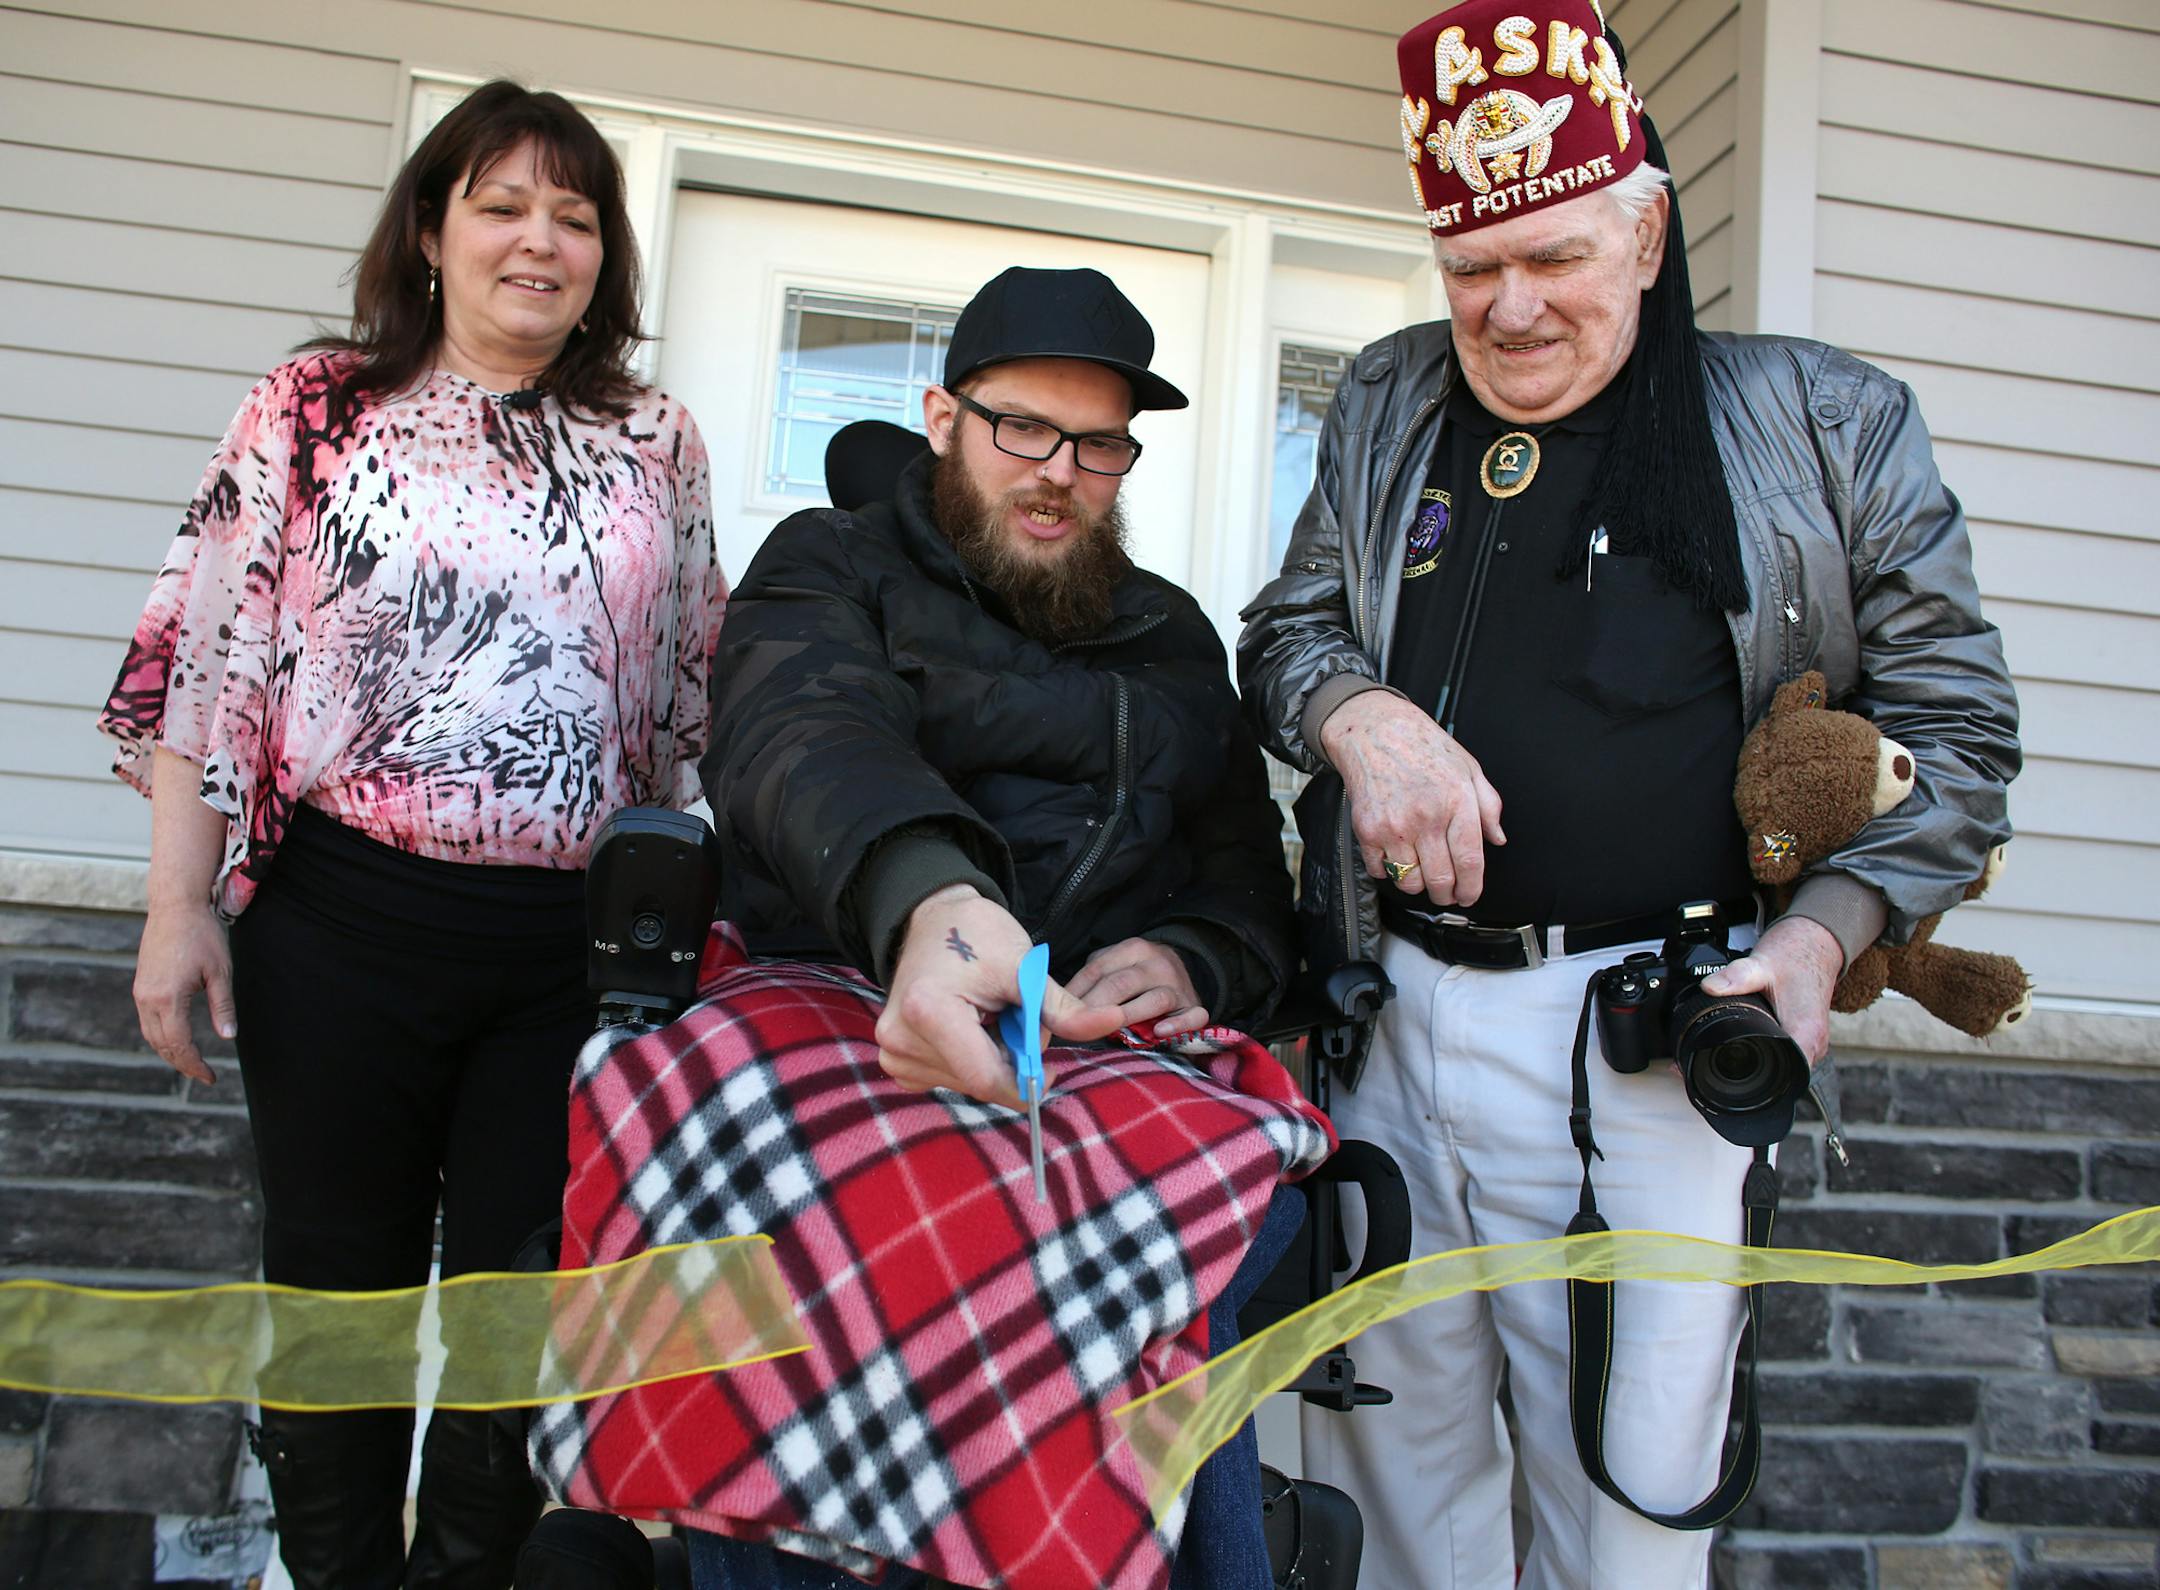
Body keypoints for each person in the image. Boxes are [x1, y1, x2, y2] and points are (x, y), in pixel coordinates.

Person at [1237, 4, 2019, 1586]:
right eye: (1470, 267)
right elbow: (1288, 628)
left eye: (1554, 258)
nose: (1509, 307)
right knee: (1392, 1493)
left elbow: (1960, 725)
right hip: (1389, 1022)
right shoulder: (1390, 401)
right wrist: (1361, 715)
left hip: (1651, 1043)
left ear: (1648, 230)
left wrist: (1820, 942)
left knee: (1633, 1515)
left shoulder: (1824, 418)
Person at [533, 267, 1326, 1590]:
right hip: (838, 985)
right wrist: (931, 901)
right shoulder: (829, 564)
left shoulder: (1177, 640)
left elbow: (1249, 879)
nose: (1059, 471)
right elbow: (799, 737)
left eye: (1098, 443)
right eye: (1024, 426)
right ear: (943, 414)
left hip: (1103, 1056)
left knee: (1172, 1229)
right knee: (793, 1212)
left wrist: (1195, 954)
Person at [96, 80, 723, 1589]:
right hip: (338, 928)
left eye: (574, 218)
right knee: (334, 1303)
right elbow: (204, 660)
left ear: (604, 258)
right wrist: (177, 909)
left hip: (563, 959)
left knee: (518, 1325)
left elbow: (697, 698)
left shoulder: (657, 439)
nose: (539, 242)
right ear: (431, 232)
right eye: (502, 206)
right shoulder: (312, 404)